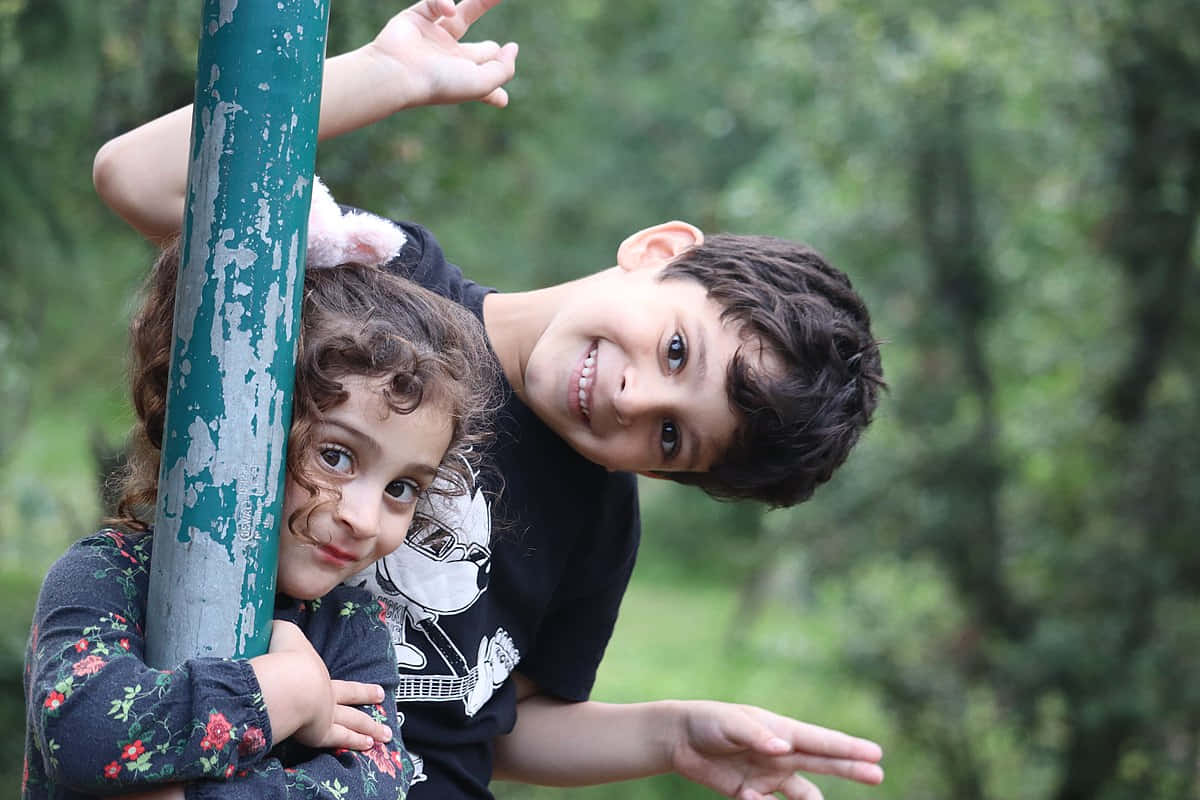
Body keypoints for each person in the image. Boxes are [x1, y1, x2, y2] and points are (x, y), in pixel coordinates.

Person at [92, 2, 887, 798]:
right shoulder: (384, 290)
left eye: (673, 438)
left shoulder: (598, 521)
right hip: (227, 753)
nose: (632, 397)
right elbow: (138, 177)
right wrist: (383, 76)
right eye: (677, 350)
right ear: (658, 254)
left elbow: (505, 723)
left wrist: (670, 733)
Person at [22, 189, 498, 799]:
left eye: (402, 487)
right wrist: (278, 695)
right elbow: (83, 734)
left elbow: (373, 786)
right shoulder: (105, 575)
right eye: (335, 455)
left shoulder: (354, 628)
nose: (362, 517)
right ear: (239, 426)